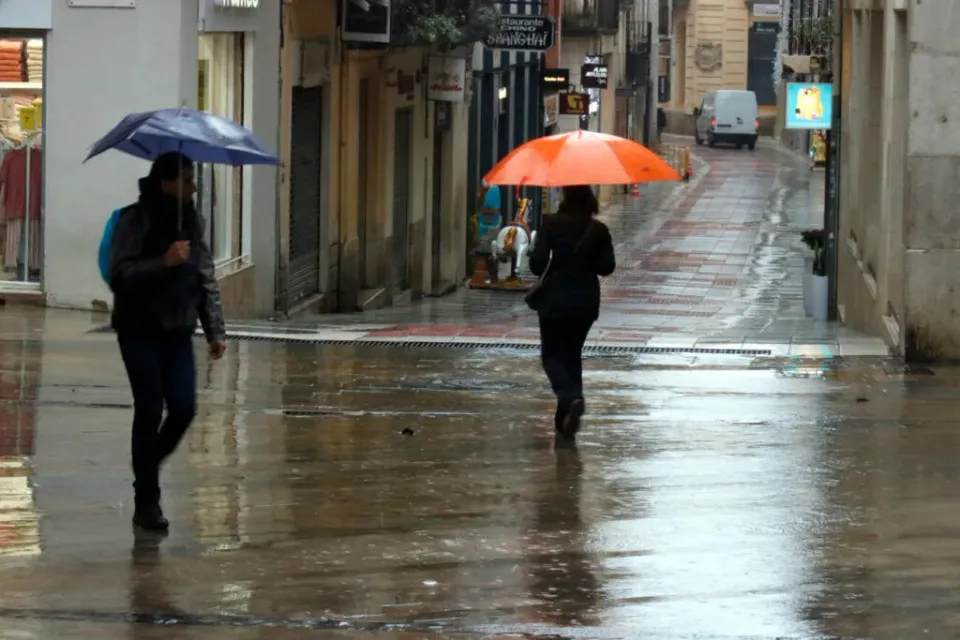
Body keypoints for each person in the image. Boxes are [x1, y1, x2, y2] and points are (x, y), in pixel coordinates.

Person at [109, 152, 227, 532]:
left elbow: (204, 276)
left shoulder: (192, 221)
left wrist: (215, 329)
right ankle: (147, 501)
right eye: (188, 181)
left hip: (177, 329)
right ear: (167, 183)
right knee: (149, 407)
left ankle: (146, 462)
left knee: (183, 408)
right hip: (139, 329)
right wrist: (164, 262)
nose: (194, 188)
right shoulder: (135, 218)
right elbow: (120, 274)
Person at [528, 185, 616, 440]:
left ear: (565, 197)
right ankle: (565, 419)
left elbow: (537, 265)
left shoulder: (552, 224)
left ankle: (570, 397)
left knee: (552, 356)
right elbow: (607, 267)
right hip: (585, 303)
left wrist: (541, 251)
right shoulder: (599, 230)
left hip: (555, 300)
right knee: (572, 355)